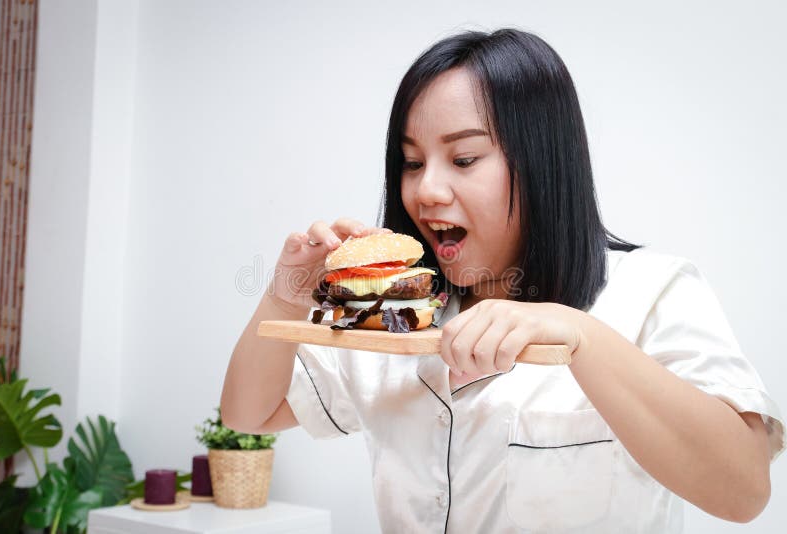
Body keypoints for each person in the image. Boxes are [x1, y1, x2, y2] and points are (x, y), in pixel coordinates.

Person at [220, 28, 783, 533]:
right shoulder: (399, 314)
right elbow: (251, 414)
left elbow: (742, 492)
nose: (426, 191)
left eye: (464, 159)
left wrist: (576, 334)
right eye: (412, 162)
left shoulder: (652, 291)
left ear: (542, 162)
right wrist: (286, 296)